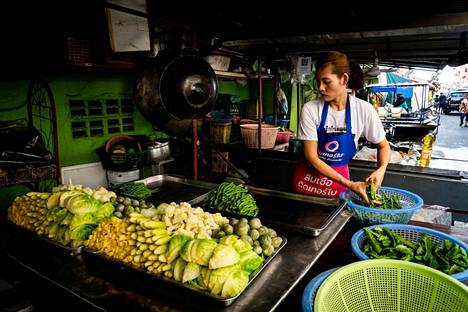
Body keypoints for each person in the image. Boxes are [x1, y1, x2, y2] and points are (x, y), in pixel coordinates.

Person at [292, 51, 391, 202]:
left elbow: (383, 146)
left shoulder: (364, 110)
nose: (321, 88)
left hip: (337, 191)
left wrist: (381, 169)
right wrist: (351, 184)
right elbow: (311, 158)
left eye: (326, 81)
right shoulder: (311, 109)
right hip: (307, 187)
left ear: (344, 79)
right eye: (318, 81)